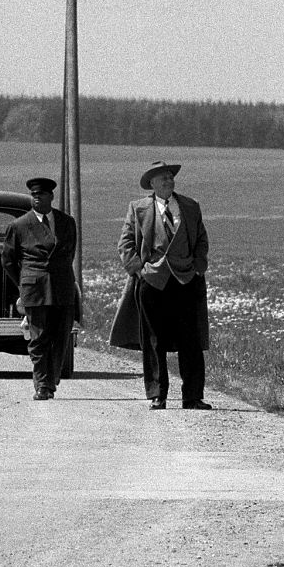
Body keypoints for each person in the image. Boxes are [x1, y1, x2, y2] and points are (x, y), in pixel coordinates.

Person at [109, 160, 212, 410]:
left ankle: (193, 396)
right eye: (162, 178)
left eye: (170, 177)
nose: (168, 181)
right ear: (152, 184)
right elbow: (125, 244)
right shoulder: (138, 208)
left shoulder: (189, 206)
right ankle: (158, 394)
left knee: (191, 339)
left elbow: (201, 239)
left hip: (185, 280)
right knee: (154, 339)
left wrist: (198, 267)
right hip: (153, 281)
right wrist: (139, 271)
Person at [2, 177, 78, 401]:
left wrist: (59, 273)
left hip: (62, 287)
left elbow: (69, 252)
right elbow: (8, 260)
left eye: (41, 194)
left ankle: (52, 376)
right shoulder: (19, 226)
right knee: (39, 338)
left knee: (61, 335)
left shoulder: (66, 222)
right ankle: (42, 385)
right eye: (34, 194)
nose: (37, 198)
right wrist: (25, 282)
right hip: (35, 289)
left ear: (51, 197)